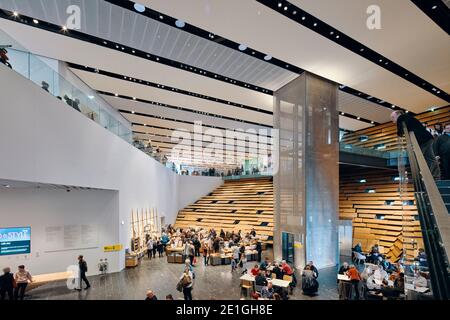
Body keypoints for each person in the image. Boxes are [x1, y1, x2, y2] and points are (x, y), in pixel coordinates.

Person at [391, 110, 441, 180]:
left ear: (398, 114)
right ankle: (435, 176)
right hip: (427, 138)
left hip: (422, 140)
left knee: (419, 159)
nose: (392, 120)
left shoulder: (401, 117)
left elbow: (400, 132)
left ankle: (424, 177)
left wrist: (399, 133)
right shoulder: (408, 117)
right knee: (430, 158)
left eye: (393, 117)